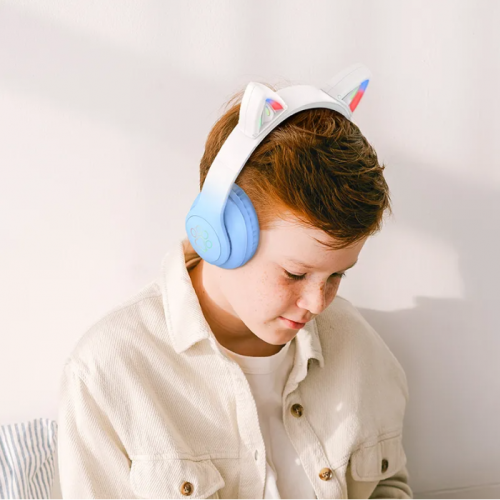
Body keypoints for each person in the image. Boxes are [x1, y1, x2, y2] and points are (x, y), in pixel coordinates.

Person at [57, 74, 413, 499]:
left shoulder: (360, 349)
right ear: (220, 234)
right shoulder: (109, 373)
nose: (318, 303)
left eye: (337, 275)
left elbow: (389, 487)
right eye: (295, 274)